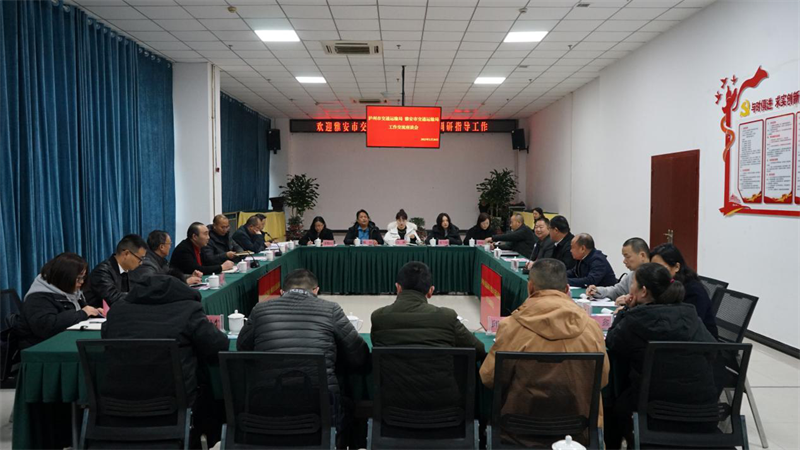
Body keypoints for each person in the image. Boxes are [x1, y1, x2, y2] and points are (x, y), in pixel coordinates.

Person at [480, 258, 609, 447]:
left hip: (518, 430)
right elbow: (602, 379)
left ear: (530, 287)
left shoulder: (511, 326)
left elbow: (489, 378)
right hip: (577, 432)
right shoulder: (591, 328)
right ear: (567, 289)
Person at [102, 273, 229, 449]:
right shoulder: (189, 310)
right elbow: (218, 345)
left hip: (117, 404)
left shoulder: (116, 311)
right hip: (172, 405)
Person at [237, 269, 369, 431]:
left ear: (281, 292)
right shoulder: (331, 309)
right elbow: (358, 355)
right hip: (320, 408)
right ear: (316, 290)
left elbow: (242, 348)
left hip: (267, 406)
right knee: (353, 409)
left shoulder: (260, 309)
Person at [604, 263, 717, 449]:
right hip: (703, 410)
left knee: (610, 403)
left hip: (653, 410)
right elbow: (712, 350)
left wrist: (624, 311)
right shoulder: (691, 315)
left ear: (643, 291)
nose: (630, 288)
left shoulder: (636, 320)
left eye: (633, 284)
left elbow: (613, 342)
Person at [371, 262, 487, 409]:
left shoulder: (379, 317)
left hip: (393, 408)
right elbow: (479, 350)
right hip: (444, 409)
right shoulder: (446, 317)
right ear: (431, 291)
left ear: (398, 288)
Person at [14, 253, 101, 349]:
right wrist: (83, 313)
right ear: (64, 277)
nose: (82, 282)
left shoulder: (71, 292)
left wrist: (94, 312)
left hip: (64, 341)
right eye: (78, 278)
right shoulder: (37, 298)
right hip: (41, 347)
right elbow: (47, 327)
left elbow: (82, 310)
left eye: (83, 277)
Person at [650, 243, 718, 338]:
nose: (656, 272)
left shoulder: (693, 291)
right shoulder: (664, 284)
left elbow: (689, 326)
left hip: (701, 342)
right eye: (653, 268)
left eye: (661, 268)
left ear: (676, 267)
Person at [84, 234, 148, 307]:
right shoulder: (102, 272)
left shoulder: (131, 271)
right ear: (126, 254)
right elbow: (114, 298)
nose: (141, 263)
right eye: (140, 258)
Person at [131, 230, 203, 285]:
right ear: (161, 247)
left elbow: (170, 276)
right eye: (169, 244)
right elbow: (155, 285)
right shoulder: (146, 263)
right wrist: (185, 282)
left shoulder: (162, 260)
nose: (170, 247)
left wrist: (190, 277)